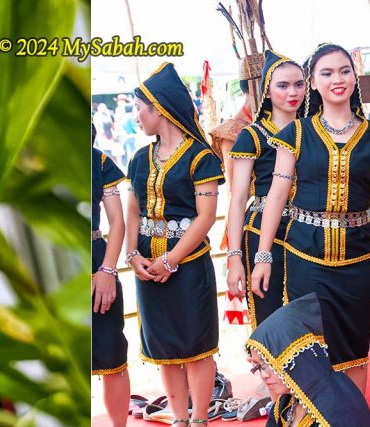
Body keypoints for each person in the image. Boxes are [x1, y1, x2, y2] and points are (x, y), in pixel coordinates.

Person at [252, 43, 370, 393]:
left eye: (344, 71)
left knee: (355, 351)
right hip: (305, 256)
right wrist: (263, 254)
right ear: (313, 82)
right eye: (326, 73)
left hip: (358, 259)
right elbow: (276, 197)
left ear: (355, 77)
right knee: (309, 350)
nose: (337, 79)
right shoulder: (294, 135)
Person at [124, 62, 224, 427]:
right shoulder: (139, 158)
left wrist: (170, 260)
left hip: (188, 265)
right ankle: (179, 419)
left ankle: (199, 420)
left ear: (159, 109)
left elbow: (206, 216)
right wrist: (133, 255)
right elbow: (133, 210)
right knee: (164, 349)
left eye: (139, 108)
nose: (136, 116)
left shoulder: (201, 157)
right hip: (147, 268)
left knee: (197, 348)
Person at [226, 49, 304, 328]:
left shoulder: (313, 131)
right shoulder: (252, 136)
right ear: (267, 92)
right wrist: (234, 258)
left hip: (307, 233)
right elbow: (237, 200)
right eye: (282, 85)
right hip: (261, 234)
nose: (292, 92)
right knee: (270, 321)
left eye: (299, 84)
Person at [245, 293, 370, 427]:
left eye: (267, 363)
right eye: (258, 367)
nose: (264, 375)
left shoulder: (341, 409)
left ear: (294, 356)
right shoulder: (284, 405)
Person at [92, 125, 131, 427]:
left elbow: (117, 221)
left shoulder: (99, 161)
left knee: (111, 355)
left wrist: (107, 270)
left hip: (96, 259)